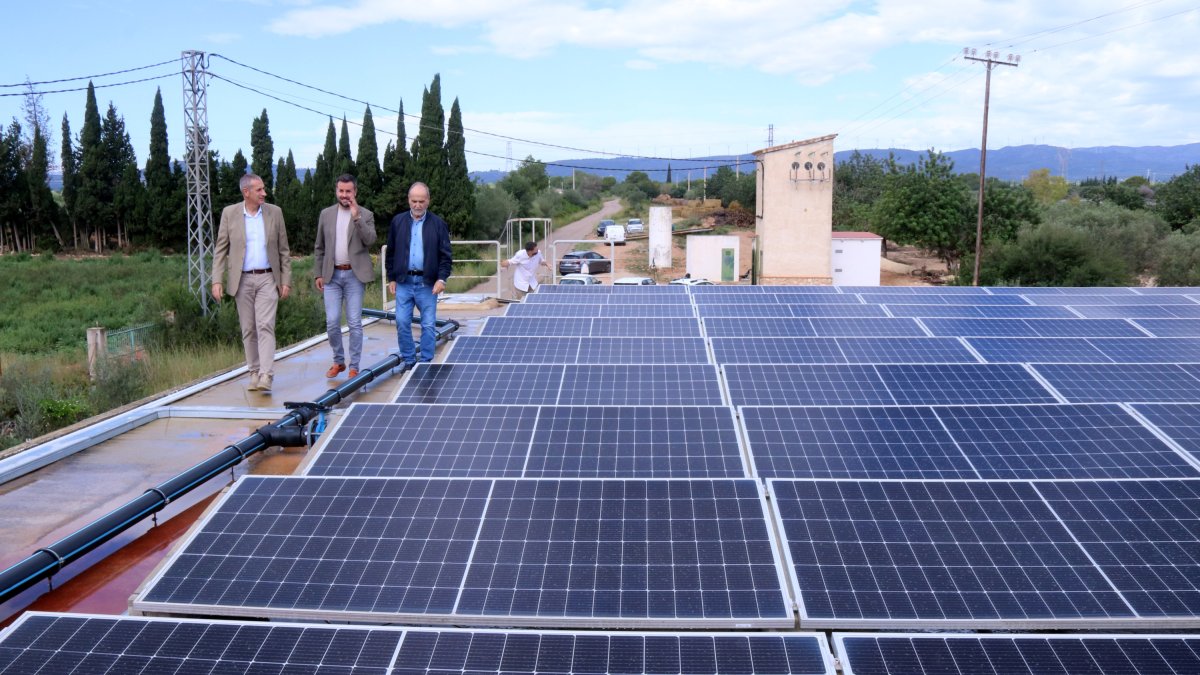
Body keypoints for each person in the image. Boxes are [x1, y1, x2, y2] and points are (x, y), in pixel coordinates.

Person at [211, 173, 292, 392]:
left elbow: (284, 250)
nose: (264, 193)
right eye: (259, 190)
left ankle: (267, 374)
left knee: (265, 325)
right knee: (248, 329)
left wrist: (286, 280)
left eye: (264, 189)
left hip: (268, 278)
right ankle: (254, 372)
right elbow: (220, 249)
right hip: (242, 279)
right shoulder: (230, 214)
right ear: (246, 192)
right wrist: (216, 280)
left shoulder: (275, 213)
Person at [314, 174, 376, 379]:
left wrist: (356, 217)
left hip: (354, 276)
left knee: (354, 322)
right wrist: (318, 274)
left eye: (348, 191)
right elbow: (319, 247)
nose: (344, 195)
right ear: (336, 191)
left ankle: (354, 366)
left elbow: (370, 240)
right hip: (331, 275)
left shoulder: (365, 214)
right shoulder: (326, 214)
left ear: (355, 192)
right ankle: (338, 361)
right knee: (332, 322)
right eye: (341, 191)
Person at [385, 182, 452, 366]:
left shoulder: (439, 224)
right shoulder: (398, 222)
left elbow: (446, 256)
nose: (417, 205)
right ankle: (408, 360)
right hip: (404, 283)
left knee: (429, 325)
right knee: (401, 322)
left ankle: (425, 363)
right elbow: (390, 252)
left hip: (428, 284)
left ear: (428, 201)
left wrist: (441, 279)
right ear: (408, 200)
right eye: (414, 201)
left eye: (421, 201)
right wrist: (391, 277)